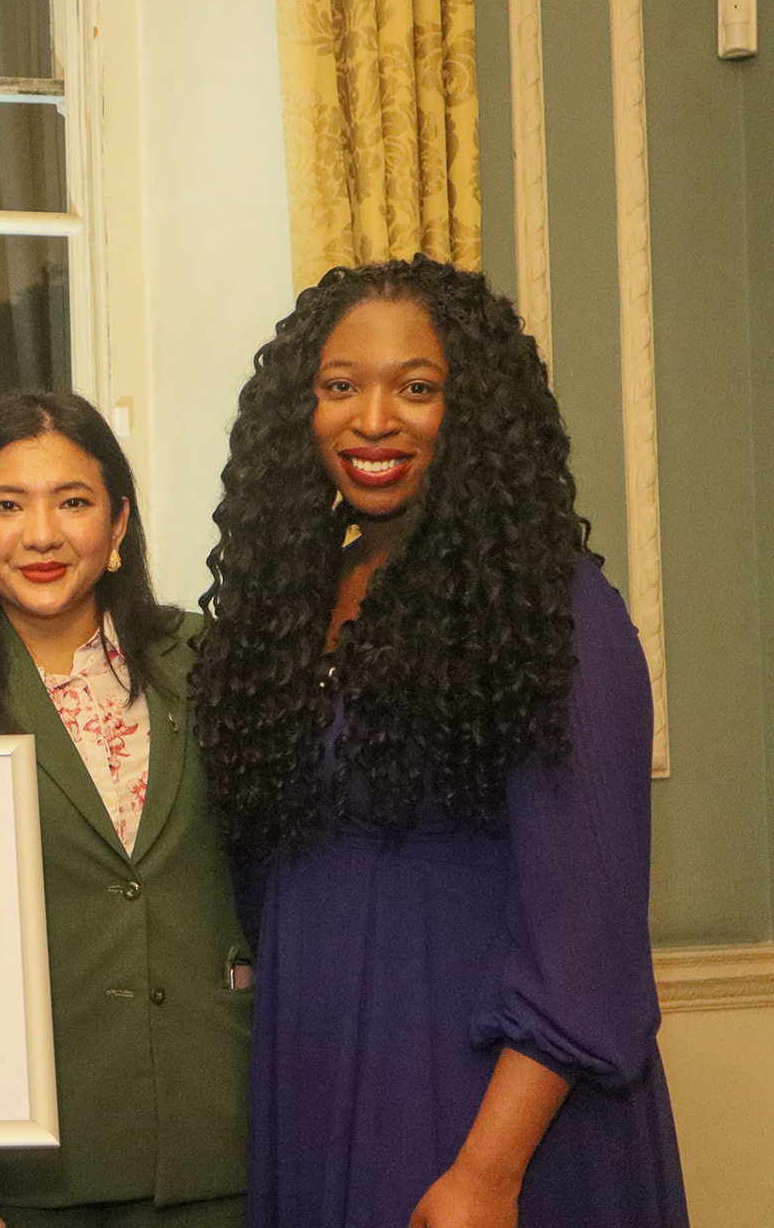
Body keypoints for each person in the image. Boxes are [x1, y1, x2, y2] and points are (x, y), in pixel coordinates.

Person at [192, 256, 688, 1228]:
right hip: (318, 1080)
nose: (374, 419)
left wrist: (490, 1170)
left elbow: (588, 931)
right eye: (341, 386)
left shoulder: (553, 608)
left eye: (417, 388)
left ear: (476, 410)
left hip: (482, 1110)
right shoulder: (290, 604)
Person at [0, 391, 251, 1228]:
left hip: (213, 1131)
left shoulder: (208, 658)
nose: (41, 534)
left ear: (118, 526)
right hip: (23, 1161)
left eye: (72, 502)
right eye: (7, 506)